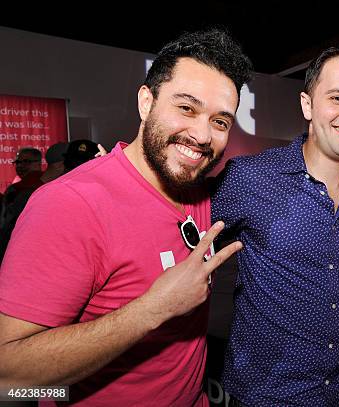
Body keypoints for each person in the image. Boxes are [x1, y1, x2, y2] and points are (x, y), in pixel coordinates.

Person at [0, 29, 251, 407]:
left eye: (220, 121)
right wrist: (152, 310)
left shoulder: (198, 190)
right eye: (186, 108)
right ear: (146, 102)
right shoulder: (71, 204)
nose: (202, 134)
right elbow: (7, 379)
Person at [212, 45, 339, 406]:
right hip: (267, 397)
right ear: (307, 105)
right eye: (338, 97)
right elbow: (177, 224)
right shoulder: (251, 178)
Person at [0, 147, 44, 260]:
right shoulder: (14, 189)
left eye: (26, 162)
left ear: (39, 163)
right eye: (18, 162)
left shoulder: (47, 185)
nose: (20, 166)